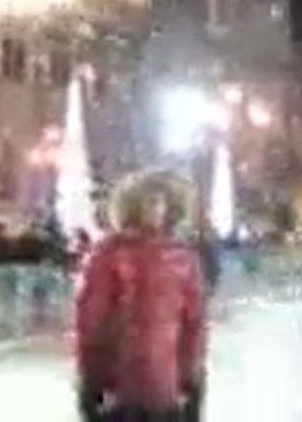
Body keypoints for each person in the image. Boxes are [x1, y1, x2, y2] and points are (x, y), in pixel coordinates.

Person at [75, 169, 205, 422]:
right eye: (151, 201)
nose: (157, 209)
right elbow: (91, 318)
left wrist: (192, 376)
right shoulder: (109, 254)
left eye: (162, 201)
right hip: (120, 383)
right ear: (133, 205)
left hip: (167, 382)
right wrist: (91, 377)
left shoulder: (182, 258)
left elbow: (193, 322)